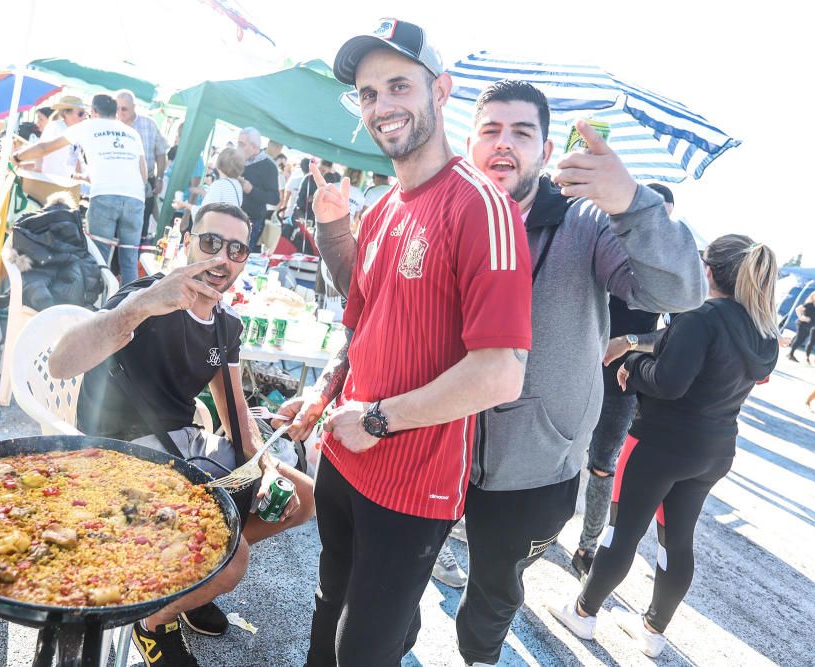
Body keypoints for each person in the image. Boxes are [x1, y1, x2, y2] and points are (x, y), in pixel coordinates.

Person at [313, 78, 707, 667]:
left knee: (491, 598)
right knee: (395, 595)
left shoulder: (586, 225)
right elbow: (373, 305)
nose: (504, 144)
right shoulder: (440, 208)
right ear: (468, 142)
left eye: (522, 133)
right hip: (419, 447)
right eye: (490, 130)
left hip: (526, 466)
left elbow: (680, 290)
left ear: (546, 152)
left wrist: (631, 202)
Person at [277, 19, 532, 666]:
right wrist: (320, 392)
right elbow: (360, 326)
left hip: (412, 486)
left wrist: (381, 419)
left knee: (366, 648)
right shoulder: (387, 205)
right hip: (342, 455)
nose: (382, 106)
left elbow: (501, 373)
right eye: (368, 94)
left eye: (398, 85)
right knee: (326, 607)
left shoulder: (483, 205)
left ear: (440, 91)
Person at [48, 202, 315, 666]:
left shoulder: (225, 325)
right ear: (185, 240)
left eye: (235, 249)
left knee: (304, 496)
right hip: (113, 459)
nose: (221, 258)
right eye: (211, 242)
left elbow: (234, 413)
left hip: (180, 448)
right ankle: (152, 622)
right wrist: (138, 309)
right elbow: (60, 364)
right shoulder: (148, 297)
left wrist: (267, 468)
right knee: (234, 563)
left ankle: (192, 580)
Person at [549, 234, 779, 658]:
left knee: (623, 534)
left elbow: (670, 381)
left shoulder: (700, 316)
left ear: (706, 270)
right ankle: (653, 632)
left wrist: (632, 365)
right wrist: (640, 348)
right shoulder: (762, 329)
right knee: (677, 542)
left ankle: (583, 612)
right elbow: (704, 358)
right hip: (714, 450)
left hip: (660, 442)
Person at [13, 94, 147, 286]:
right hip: (135, 197)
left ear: (93, 111)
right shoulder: (132, 133)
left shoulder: (86, 126)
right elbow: (143, 172)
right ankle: (131, 307)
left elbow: (44, 148)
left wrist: (18, 157)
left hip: (105, 195)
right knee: (129, 259)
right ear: (115, 112)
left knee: (99, 257)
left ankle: (98, 310)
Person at [571, 295, 660, 577]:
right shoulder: (602, 249)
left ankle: (587, 547)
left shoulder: (666, 269)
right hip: (573, 369)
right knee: (554, 451)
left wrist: (629, 341)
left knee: (602, 466)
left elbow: (674, 335)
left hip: (620, 387)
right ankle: (533, 526)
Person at [116, 89, 169, 241]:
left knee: (139, 229)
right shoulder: (113, 125)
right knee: (117, 227)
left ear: (134, 107)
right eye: (117, 108)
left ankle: (132, 263)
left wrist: (159, 178)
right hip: (119, 183)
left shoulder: (149, 124)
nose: (120, 112)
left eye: (124, 108)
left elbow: (161, 152)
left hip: (145, 183)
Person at [237, 127, 281, 251]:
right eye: (238, 143)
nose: (238, 147)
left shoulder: (269, 166)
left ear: (254, 147)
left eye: (241, 144)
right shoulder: (238, 159)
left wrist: (251, 190)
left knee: (239, 257)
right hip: (231, 215)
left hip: (250, 221)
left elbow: (274, 198)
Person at [173, 146, 244, 222]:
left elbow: (205, 212)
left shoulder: (219, 184)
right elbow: (221, 204)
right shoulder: (237, 185)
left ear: (219, 163)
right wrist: (203, 193)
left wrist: (184, 205)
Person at [35, 96, 87, 178]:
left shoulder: (77, 131)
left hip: (68, 182)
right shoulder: (54, 127)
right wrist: (38, 174)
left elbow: (76, 158)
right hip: (52, 180)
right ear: (66, 113)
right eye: (80, 113)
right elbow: (40, 151)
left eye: (84, 113)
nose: (84, 117)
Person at [787, 290, 815, 362]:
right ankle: (790, 354)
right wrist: (801, 317)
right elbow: (798, 309)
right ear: (813, 296)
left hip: (809, 326)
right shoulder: (809, 304)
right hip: (803, 324)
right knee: (799, 339)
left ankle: (790, 352)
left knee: (802, 340)